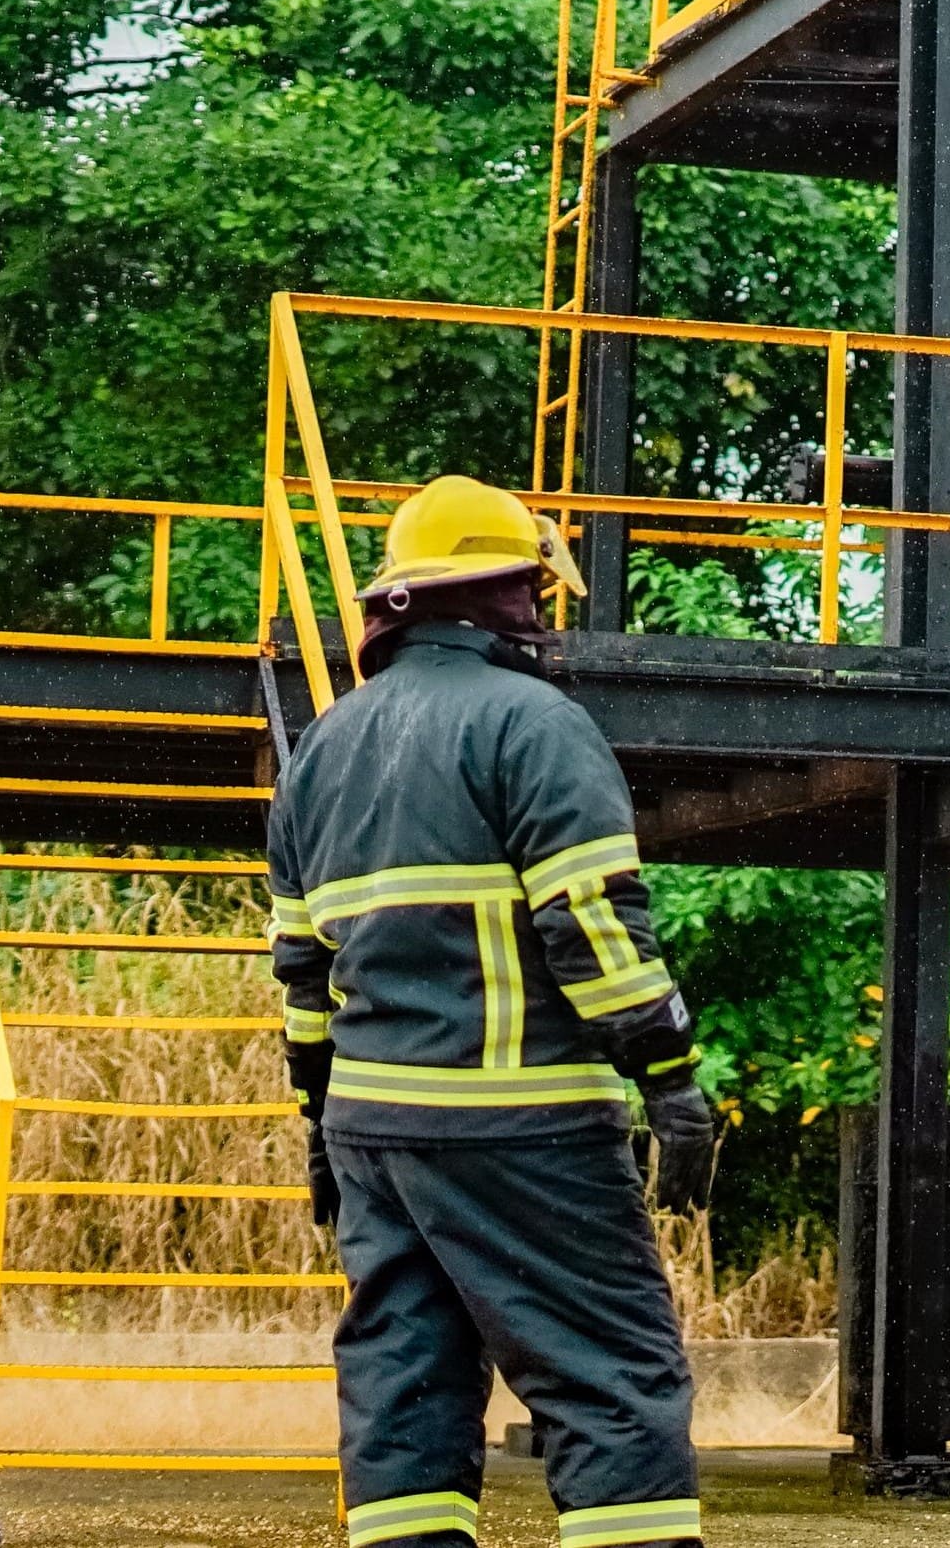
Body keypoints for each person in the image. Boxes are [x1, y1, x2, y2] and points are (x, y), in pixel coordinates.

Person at [269, 475, 721, 1548]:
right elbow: (594, 928)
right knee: (609, 1373)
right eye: (534, 591)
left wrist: (318, 1125)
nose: (544, 615)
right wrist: (672, 1082)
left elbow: (301, 970)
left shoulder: (324, 751)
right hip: (524, 1127)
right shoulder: (536, 727)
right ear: (498, 596)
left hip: (373, 1133)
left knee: (404, 1382)